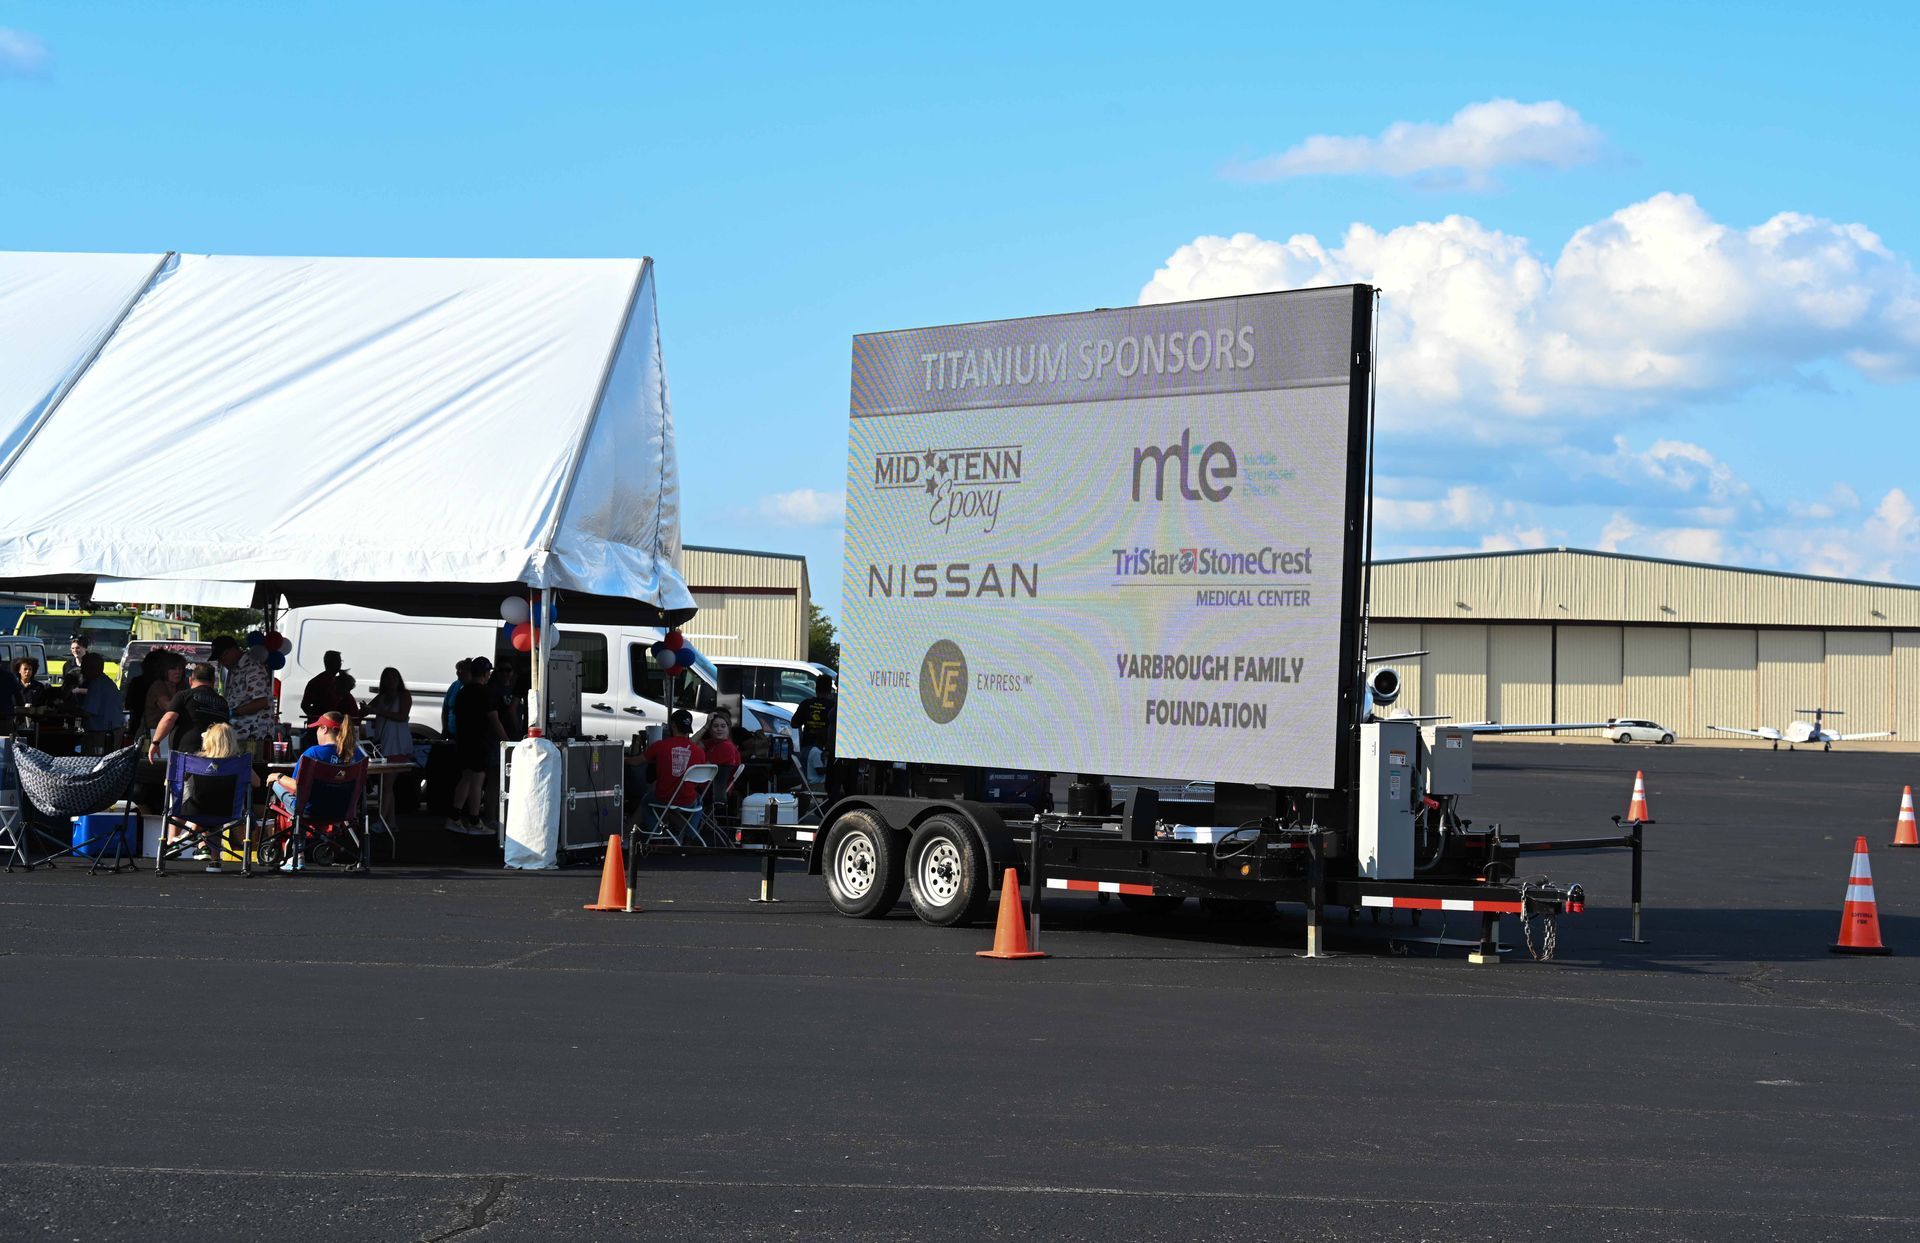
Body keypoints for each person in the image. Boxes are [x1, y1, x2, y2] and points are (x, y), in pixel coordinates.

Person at [447, 657, 507, 834]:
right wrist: (508, 741)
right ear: (486, 673)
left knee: (466, 778)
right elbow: (494, 720)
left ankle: (454, 817)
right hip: (479, 742)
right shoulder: (485, 693)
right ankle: (474, 820)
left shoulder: (463, 692)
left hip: (464, 741)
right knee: (477, 780)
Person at [269, 711, 364, 814]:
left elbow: (297, 787)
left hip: (310, 811)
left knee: (275, 783)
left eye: (318, 728)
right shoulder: (357, 753)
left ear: (325, 729)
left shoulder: (312, 753)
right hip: (343, 810)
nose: (316, 732)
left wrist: (278, 776)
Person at [642, 708, 707, 834]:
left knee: (646, 800)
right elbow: (698, 782)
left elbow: (638, 761)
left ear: (673, 725)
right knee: (699, 801)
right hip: (688, 800)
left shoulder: (660, 745)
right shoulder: (699, 752)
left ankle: (653, 835)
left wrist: (624, 759)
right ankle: (690, 835)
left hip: (663, 798)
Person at [148, 663, 230, 762]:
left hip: (186, 757)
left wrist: (155, 743)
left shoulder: (184, 696)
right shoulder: (223, 702)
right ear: (213, 681)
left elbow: (169, 719)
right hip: (216, 756)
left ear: (190, 680)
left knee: (181, 777)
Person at [215, 638, 275, 763]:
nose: (221, 661)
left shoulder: (253, 667)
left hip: (254, 735)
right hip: (238, 734)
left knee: (251, 773)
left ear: (233, 650)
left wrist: (234, 712)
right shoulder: (233, 669)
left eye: (222, 656)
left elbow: (261, 702)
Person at [698, 710, 743, 822]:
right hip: (708, 789)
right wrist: (705, 726)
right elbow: (690, 744)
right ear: (710, 730)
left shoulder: (725, 747)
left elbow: (703, 769)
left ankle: (685, 833)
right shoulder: (714, 742)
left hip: (711, 792)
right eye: (715, 726)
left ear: (728, 729)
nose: (719, 729)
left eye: (723, 726)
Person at [76, 651, 123, 754]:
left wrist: (68, 709)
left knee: (94, 764)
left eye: (84, 667)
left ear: (93, 668)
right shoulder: (108, 682)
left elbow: (88, 712)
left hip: (101, 734)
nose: (82, 671)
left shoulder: (96, 685)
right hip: (112, 731)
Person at [364, 666, 414, 759]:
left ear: (399, 680)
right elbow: (366, 710)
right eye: (388, 678)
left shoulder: (404, 695)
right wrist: (365, 708)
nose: (391, 681)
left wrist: (378, 711)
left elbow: (403, 716)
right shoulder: (381, 696)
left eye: (394, 677)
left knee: (390, 771)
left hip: (397, 742)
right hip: (383, 741)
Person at [140, 653, 185, 740]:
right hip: (154, 733)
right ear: (164, 670)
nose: (178, 671)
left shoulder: (181, 685)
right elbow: (168, 706)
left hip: (171, 734)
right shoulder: (158, 685)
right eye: (173, 668)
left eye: (180, 668)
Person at [299, 650, 353, 723]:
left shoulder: (317, 681)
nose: (340, 664)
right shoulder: (318, 682)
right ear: (332, 663)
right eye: (339, 661)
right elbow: (304, 705)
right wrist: (320, 718)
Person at [441, 658, 470, 738]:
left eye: (462, 670)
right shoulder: (454, 685)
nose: (458, 673)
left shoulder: (475, 689)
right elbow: (445, 710)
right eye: (457, 670)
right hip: (451, 733)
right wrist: (445, 729)